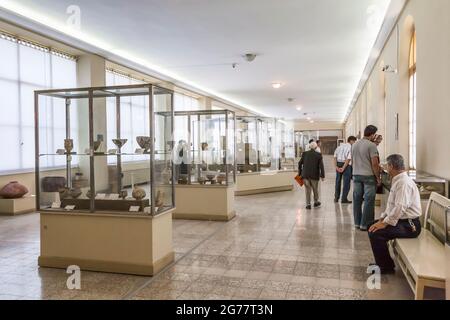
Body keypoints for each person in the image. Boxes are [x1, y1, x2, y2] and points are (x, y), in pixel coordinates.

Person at [368, 154, 421, 274]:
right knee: (371, 225)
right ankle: (383, 262)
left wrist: (385, 223)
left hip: (410, 226)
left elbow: (400, 207)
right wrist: (382, 219)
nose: (385, 167)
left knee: (376, 233)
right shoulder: (398, 180)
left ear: (391, 166)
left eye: (387, 165)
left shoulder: (403, 183)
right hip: (402, 221)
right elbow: (391, 206)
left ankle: (386, 267)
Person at [352, 125, 381, 231]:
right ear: (372, 134)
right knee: (369, 201)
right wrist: (378, 177)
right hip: (368, 176)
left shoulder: (354, 144)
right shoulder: (371, 146)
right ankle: (365, 224)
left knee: (357, 199)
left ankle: (357, 223)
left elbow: (353, 160)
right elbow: (374, 164)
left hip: (356, 175)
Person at [298, 142, 325, 210]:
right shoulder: (318, 155)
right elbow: (321, 166)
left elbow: (299, 163)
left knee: (307, 189)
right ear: (316, 148)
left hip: (305, 175)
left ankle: (308, 204)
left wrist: (300, 173)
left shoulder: (304, 154)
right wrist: (322, 175)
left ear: (309, 147)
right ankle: (316, 202)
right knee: (315, 189)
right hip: (314, 175)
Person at [334, 136, 357, 203]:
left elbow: (335, 157)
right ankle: (344, 199)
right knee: (346, 183)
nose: (354, 143)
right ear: (351, 141)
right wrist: (343, 168)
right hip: (346, 166)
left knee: (338, 181)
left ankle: (336, 198)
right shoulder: (351, 147)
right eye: (354, 141)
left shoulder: (339, 147)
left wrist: (336, 166)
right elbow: (348, 159)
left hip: (338, 164)